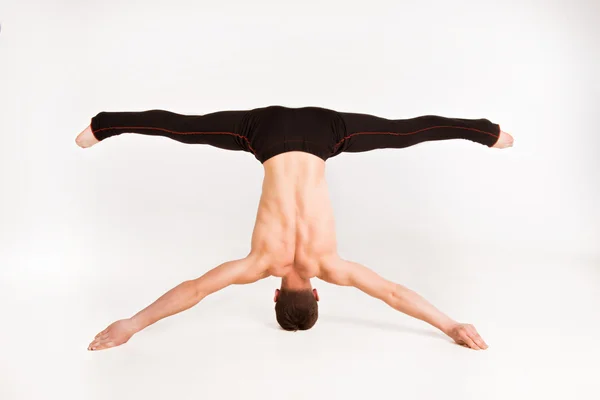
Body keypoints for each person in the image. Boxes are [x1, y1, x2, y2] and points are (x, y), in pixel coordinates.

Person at [77, 105, 513, 351]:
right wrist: (130, 324)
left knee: (407, 132)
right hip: (262, 133)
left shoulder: (331, 266)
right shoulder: (258, 265)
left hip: (326, 132)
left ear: (317, 294)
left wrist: (452, 325)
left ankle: (489, 134)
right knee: (181, 128)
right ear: (276, 295)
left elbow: (394, 293)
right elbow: (194, 289)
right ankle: (102, 127)